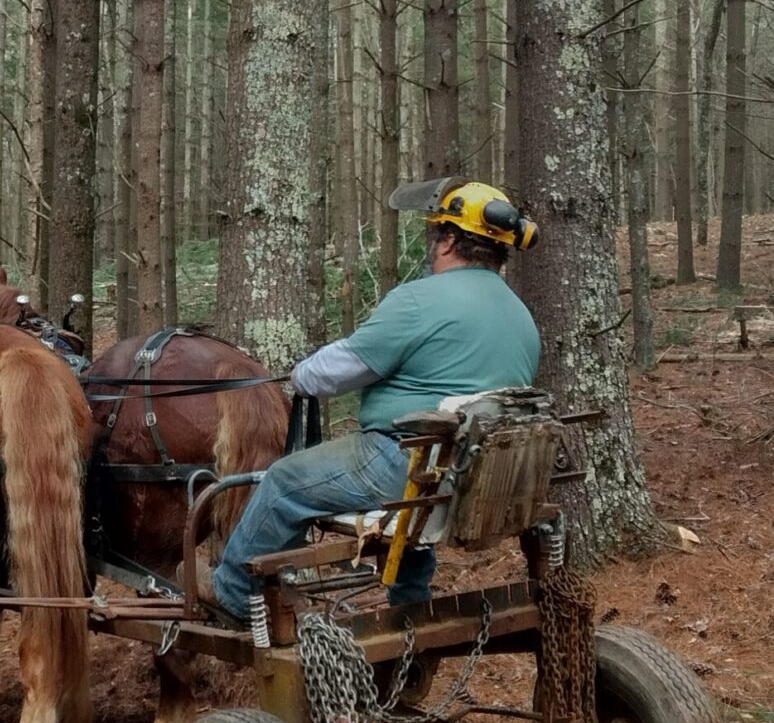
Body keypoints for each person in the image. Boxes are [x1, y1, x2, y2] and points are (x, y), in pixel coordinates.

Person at [198, 178, 542, 621]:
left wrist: (301, 373)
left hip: (404, 462)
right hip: (475, 470)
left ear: (450, 241)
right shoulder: (519, 312)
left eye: (435, 234)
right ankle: (411, 606)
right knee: (417, 496)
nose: (432, 245)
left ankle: (232, 592)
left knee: (283, 481)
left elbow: (332, 373)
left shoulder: (419, 301)